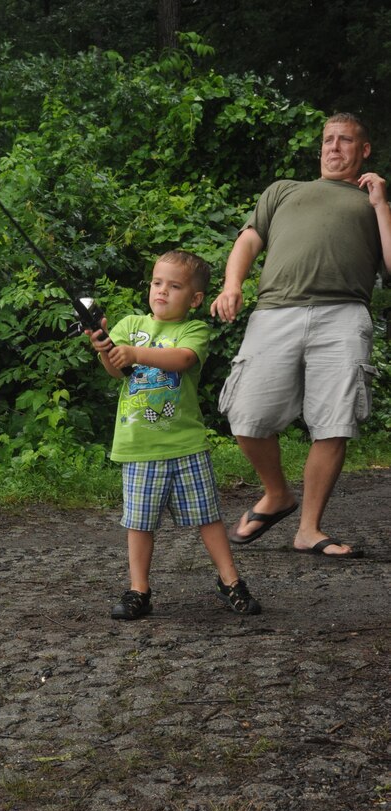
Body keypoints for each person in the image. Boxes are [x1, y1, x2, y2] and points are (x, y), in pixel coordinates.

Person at [210, 112, 391, 558]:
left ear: (363, 150)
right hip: (275, 312)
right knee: (246, 415)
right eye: (328, 140)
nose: (333, 147)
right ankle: (277, 495)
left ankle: (309, 529)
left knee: (334, 422)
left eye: (344, 140)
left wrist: (381, 203)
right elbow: (249, 241)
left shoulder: (373, 203)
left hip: (344, 315)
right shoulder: (283, 190)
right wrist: (232, 285)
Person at [87, 249, 261, 620]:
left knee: (208, 517)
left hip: (186, 445)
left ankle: (230, 581)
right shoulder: (129, 325)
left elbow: (181, 360)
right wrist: (106, 349)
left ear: (195, 299)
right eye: (156, 282)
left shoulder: (192, 330)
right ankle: (139, 590)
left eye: (174, 286)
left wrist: (134, 353)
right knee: (139, 522)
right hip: (139, 447)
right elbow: (116, 371)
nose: (161, 291)